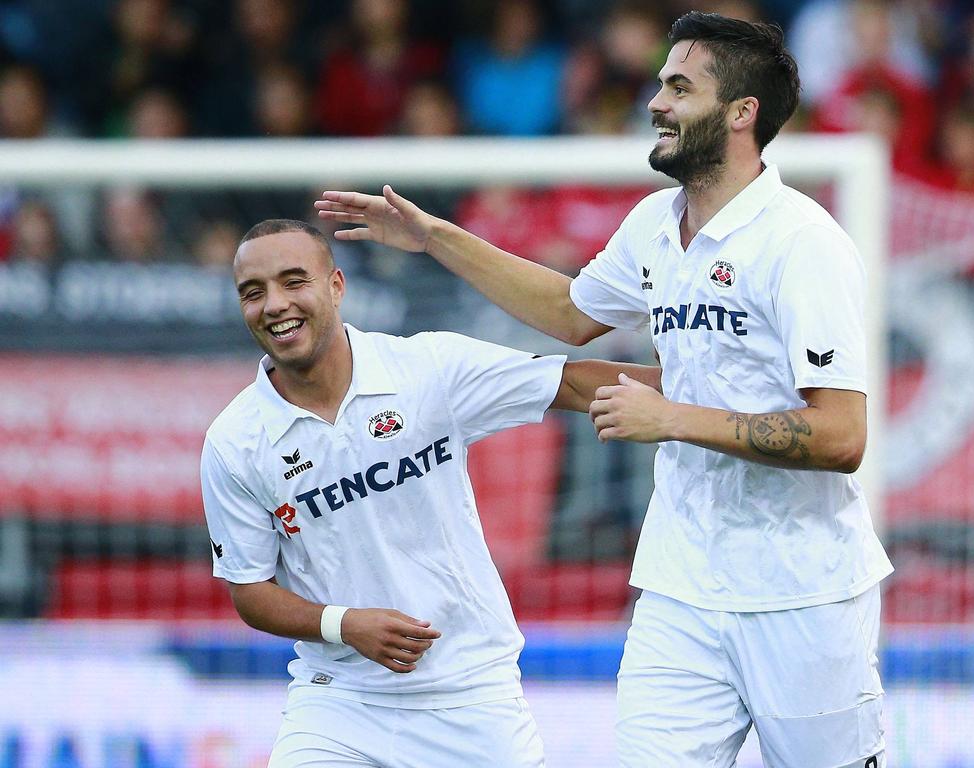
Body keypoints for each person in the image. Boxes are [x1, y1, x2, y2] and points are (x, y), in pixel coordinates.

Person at [315, 11, 894, 768]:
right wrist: (435, 238)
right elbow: (568, 311)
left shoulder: (803, 244)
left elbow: (842, 437)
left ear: (741, 112)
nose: (656, 102)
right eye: (660, 83)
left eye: (680, 88)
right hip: (679, 587)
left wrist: (671, 417)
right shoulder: (657, 223)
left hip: (805, 594)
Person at [199, 218, 660, 767]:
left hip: (471, 694)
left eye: (293, 281)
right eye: (254, 293)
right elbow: (250, 591)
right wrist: (343, 624)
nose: (273, 304)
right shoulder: (235, 441)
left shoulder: (426, 368)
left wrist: (715, 394)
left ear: (336, 286)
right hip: (339, 701)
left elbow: (575, 381)